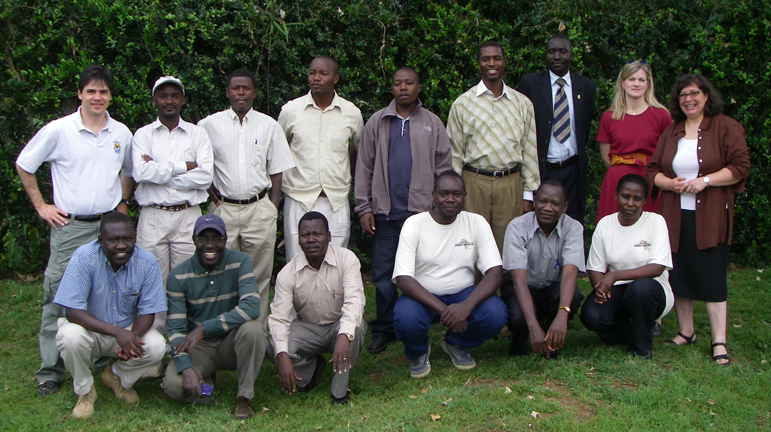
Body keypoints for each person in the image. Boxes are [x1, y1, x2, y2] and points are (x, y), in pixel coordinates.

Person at [15, 65, 134, 396]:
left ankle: (97, 362)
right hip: (70, 227)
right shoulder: (58, 130)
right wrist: (41, 206)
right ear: (80, 93)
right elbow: (25, 164)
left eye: (104, 92)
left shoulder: (121, 133)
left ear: (111, 96)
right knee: (57, 296)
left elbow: (127, 170)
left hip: (107, 228)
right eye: (91, 91)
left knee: (105, 295)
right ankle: (49, 371)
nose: (98, 97)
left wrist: (122, 203)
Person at [646, 74, 750, 365]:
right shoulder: (672, 131)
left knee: (711, 274)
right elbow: (653, 169)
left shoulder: (726, 127)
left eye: (694, 93)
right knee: (679, 271)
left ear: (706, 95)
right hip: (675, 215)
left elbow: (741, 166)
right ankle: (686, 331)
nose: (688, 99)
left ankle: (719, 340)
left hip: (711, 215)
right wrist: (670, 184)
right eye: (682, 95)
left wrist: (705, 180)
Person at [354, 66, 452, 354]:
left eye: (409, 83)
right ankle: (384, 329)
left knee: (423, 272)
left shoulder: (432, 123)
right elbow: (364, 167)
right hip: (385, 215)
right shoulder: (377, 122)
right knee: (384, 275)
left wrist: (440, 208)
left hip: (421, 216)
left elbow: (444, 168)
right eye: (398, 83)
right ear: (392, 88)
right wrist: (364, 207)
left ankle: (419, 322)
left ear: (418, 88)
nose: (403, 88)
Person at [198, 69, 295, 327]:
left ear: (254, 92)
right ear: (227, 92)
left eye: (246, 88)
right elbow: (197, 164)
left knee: (258, 276)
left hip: (259, 210)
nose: (241, 92)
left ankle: (256, 333)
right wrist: (207, 186)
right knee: (219, 273)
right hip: (223, 210)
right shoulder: (208, 125)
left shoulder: (269, 125)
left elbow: (277, 172)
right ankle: (220, 333)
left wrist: (271, 208)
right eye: (236, 88)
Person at [392, 170, 508, 378]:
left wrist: (466, 306)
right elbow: (403, 277)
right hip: (423, 295)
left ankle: (454, 342)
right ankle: (417, 351)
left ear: (465, 195)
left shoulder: (476, 222)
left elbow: (495, 273)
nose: (450, 199)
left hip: (462, 292)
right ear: (433, 195)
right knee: (405, 319)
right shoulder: (414, 224)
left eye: (457, 194)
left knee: (495, 314)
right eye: (443, 193)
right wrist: (446, 310)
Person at [53, 212, 167, 419]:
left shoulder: (147, 262)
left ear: (134, 238)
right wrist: (118, 333)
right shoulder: (83, 258)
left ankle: (116, 377)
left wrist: (131, 338)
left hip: (126, 331)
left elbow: (148, 311)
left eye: (127, 239)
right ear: (100, 241)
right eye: (114, 240)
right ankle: (85, 391)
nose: (121, 245)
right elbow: (73, 311)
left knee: (157, 345)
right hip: (89, 331)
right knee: (68, 336)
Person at [132, 76, 213, 347]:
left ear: (182, 100)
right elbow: (141, 172)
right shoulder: (143, 134)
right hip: (152, 215)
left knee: (188, 281)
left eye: (174, 95)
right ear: (154, 100)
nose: (169, 100)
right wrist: (184, 166)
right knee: (151, 281)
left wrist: (160, 169)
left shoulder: (197, 133)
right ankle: (153, 347)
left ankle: (185, 344)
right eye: (163, 95)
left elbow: (205, 177)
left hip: (187, 215)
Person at [162, 214, 266, 419]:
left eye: (216, 239)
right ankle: (206, 383)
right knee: (174, 386)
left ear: (225, 240)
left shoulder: (240, 262)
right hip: (198, 348)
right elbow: (175, 329)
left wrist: (203, 329)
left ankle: (244, 398)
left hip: (231, 340)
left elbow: (252, 307)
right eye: (203, 239)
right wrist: (185, 367)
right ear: (194, 240)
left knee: (253, 329)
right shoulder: (178, 276)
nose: (210, 245)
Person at [446, 40, 540, 250]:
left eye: (497, 58)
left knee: (509, 246)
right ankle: (474, 284)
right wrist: (454, 192)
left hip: (510, 184)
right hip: (473, 183)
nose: (492, 63)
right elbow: (454, 153)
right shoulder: (462, 104)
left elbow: (530, 150)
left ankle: (506, 284)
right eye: (485, 59)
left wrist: (528, 193)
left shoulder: (522, 103)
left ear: (504, 63)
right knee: (471, 244)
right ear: (478, 64)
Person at [268, 212, 366, 405]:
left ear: (328, 236)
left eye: (317, 234)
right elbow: (279, 318)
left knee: (356, 328)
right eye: (305, 235)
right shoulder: (288, 273)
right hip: (308, 328)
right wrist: (282, 357)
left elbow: (355, 301)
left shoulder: (347, 259)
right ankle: (310, 370)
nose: (311, 239)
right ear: (298, 239)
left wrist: (344, 335)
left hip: (337, 327)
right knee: (272, 345)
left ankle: (339, 392)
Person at [279, 56, 364, 260]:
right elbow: (277, 151)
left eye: (323, 74)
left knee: (336, 261)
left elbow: (359, 151)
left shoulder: (351, 113)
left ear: (336, 78)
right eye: (312, 73)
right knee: (297, 262)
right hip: (299, 199)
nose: (316, 78)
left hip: (335, 200)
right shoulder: (291, 111)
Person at [580, 174, 673, 359]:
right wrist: (601, 290)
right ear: (616, 195)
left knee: (641, 288)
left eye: (637, 199)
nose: (630, 203)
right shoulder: (605, 224)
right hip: (618, 291)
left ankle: (641, 349)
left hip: (653, 291)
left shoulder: (656, 222)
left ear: (645, 200)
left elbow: (657, 268)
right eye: (626, 196)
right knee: (592, 315)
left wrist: (614, 276)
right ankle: (632, 332)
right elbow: (595, 269)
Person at [501, 179, 584, 359]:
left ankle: (551, 337)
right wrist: (533, 326)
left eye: (555, 204)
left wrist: (563, 314)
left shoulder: (574, 228)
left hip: (550, 289)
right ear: (534, 201)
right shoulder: (517, 227)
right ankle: (522, 336)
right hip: (522, 288)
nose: (547, 208)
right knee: (517, 317)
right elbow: (518, 280)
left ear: (565, 207)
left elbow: (570, 273)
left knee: (574, 295)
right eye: (543, 201)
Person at [517, 34, 595, 224]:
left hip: (572, 170)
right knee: (539, 224)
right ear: (545, 55)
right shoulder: (530, 84)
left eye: (563, 51)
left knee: (572, 224)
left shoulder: (586, 86)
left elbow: (584, 130)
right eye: (552, 51)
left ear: (571, 55)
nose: (557, 56)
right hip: (542, 171)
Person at [594, 61, 671, 224]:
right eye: (631, 79)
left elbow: (668, 153)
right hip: (616, 180)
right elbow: (606, 157)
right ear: (622, 83)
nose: (636, 83)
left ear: (648, 84)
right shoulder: (610, 117)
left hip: (648, 180)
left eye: (641, 80)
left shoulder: (661, 115)